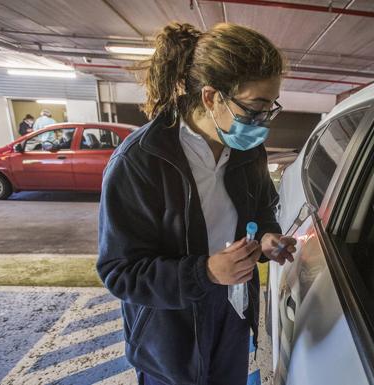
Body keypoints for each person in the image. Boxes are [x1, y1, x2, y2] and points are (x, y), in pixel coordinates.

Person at [97, 22, 297, 385]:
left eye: (270, 108)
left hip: (233, 311)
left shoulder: (247, 151)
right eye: (254, 109)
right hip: (170, 332)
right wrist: (204, 272)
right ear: (211, 97)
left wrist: (268, 238)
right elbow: (120, 272)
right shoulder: (141, 162)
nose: (262, 123)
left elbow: (263, 209)